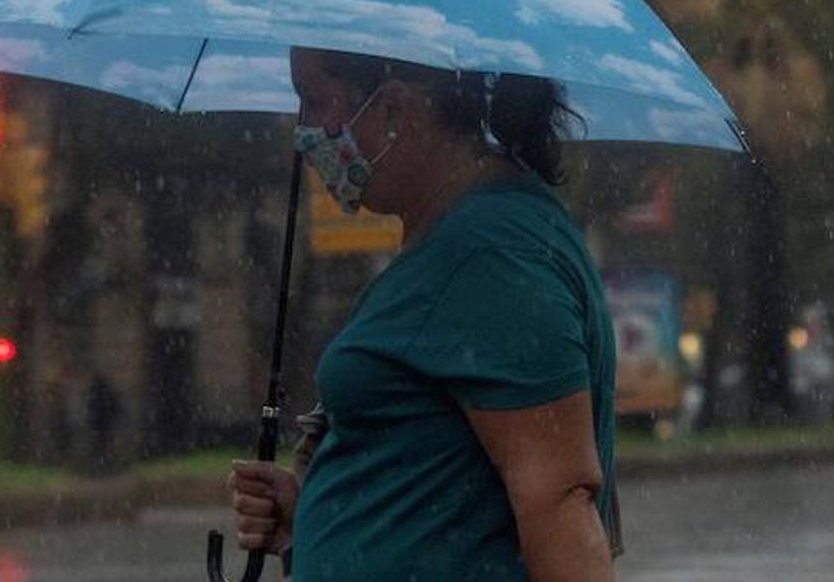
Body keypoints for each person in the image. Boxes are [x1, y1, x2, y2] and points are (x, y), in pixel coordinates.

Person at [227, 47, 620, 582]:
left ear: (394, 111)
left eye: (314, 101)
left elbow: (560, 501)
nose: (304, 130)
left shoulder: (491, 254)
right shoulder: (455, 240)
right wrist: (318, 514)